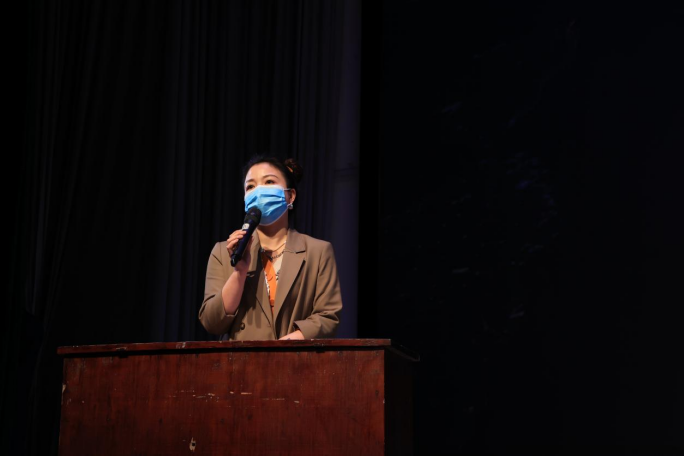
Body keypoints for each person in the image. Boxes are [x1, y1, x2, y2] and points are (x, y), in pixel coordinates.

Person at [198, 155, 343, 340]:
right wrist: (239, 272)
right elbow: (212, 322)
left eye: (269, 182)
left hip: (295, 357)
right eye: (250, 186)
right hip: (241, 358)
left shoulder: (318, 251)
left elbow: (328, 318)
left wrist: (282, 348)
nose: (258, 191)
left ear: (290, 196)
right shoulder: (223, 252)